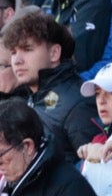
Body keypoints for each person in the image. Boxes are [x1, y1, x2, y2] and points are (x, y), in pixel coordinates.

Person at [2, 12, 98, 150]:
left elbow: (93, 166)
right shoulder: (28, 97)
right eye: (13, 53)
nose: (17, 61)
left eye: (27, 49)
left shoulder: (78, 104)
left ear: (54, 53)